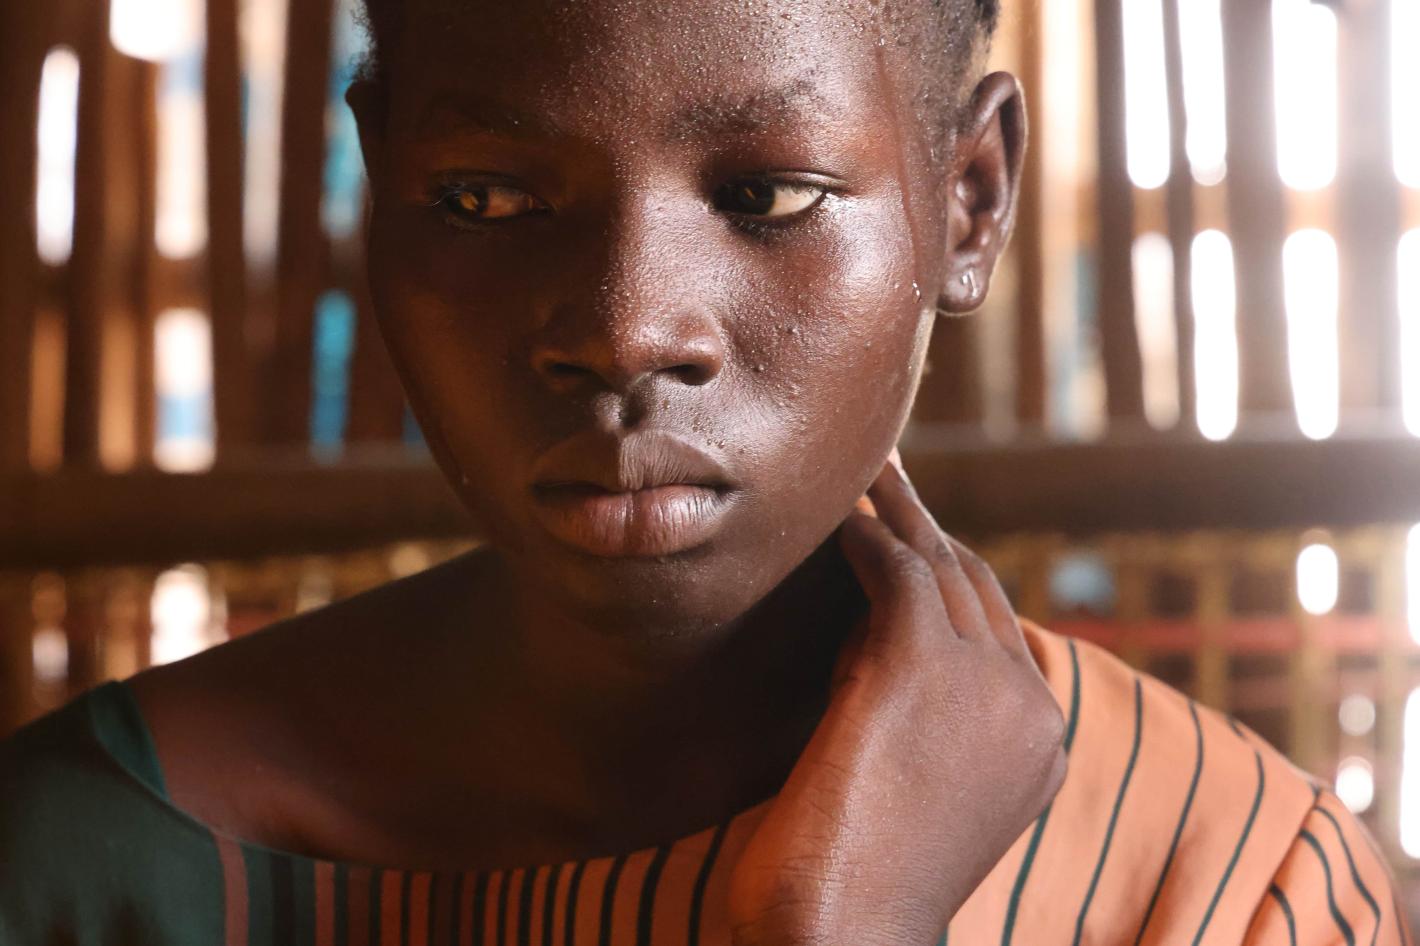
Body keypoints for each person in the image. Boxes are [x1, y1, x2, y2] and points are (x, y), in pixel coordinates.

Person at [1, 0, 1412, 943]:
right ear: (383, 190)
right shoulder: (73, 869)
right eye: (487, 198)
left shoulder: (1226, 880)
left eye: (769, 196)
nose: (625, 328)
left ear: (970, 197)